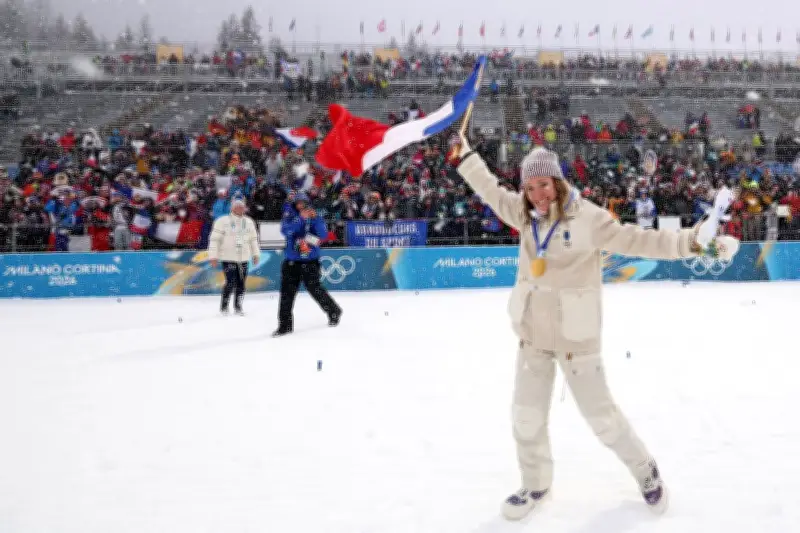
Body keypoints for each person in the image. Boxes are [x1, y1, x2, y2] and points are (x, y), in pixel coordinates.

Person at [456, 140, 739, 520]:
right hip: (533, 337)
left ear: (558, 182)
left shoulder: (588, 218)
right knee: (526, 418)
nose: (538, 195)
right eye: (530, 187)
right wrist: (466, 157)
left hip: (577, 339)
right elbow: (490, 189)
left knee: (603, 420)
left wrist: (692, 242)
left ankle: (646, 471)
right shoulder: (523, 214)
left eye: (544, 185)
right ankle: (535, 483)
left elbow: (639, 240)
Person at [273, 193, 342, 337]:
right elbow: (286, 231)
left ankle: (333, 311)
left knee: (315, 289)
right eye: (298, 203)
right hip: (292, 261)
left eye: (303, 203)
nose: (300, 206)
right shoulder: (289, 215)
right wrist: (301, 219)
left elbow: (323, 235)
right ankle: (284, 325)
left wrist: (315, 219)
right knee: (286, 294)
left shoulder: (315, 216)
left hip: (310, 261)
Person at [208, 198, 260, 315]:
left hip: (244, 258)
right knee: (230, 282)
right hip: (228, 257)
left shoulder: (249, 222)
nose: (240, 209)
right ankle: (224, 307)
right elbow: (214, 240)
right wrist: (213, 256)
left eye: (242, 207)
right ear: (232, 208)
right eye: (237, 206)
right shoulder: (222, 221)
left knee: (241, 283)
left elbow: (253, 240)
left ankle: (238, 307)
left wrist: (256, 254)